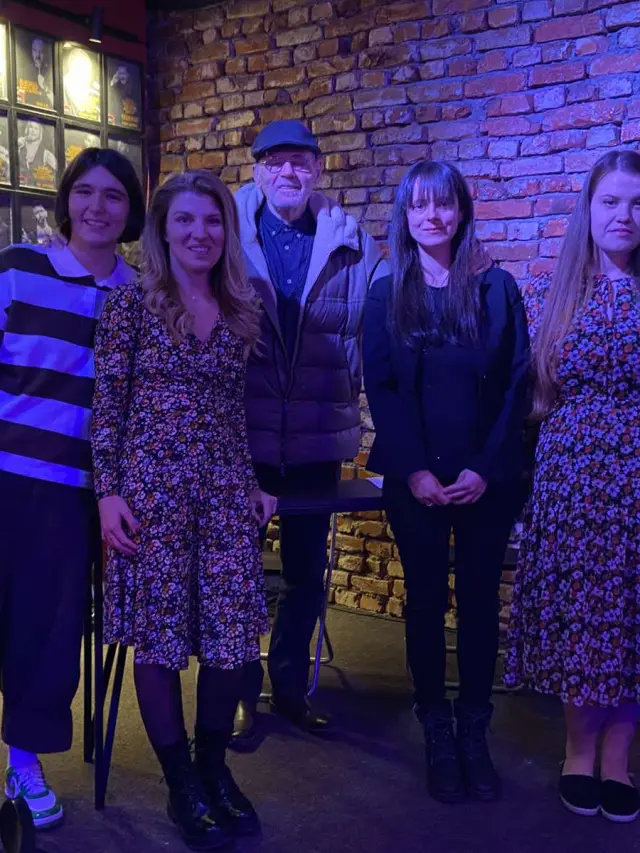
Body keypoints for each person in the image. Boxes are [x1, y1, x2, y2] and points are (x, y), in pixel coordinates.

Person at [91, 170, 276, 849]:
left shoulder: (240, 307)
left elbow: (234, 412)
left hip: (224, 493)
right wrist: (108, 493)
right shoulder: (130, 306)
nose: (201, 232)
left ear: (227, 230)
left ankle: (212, 766)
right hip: (151, 494)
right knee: (159, 638)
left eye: (213, 220)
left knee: (230, 638)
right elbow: (107, 407)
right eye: (186, 220)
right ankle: (181, 783)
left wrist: (253, 481)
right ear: (163, 230)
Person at [363, 161, 530, 803]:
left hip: (487, 478)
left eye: (443, 204)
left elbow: (516, 384)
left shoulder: (497, 288)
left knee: (481, 601)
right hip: (416, 481)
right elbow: (381, 387)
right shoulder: (387, 292)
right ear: (405, 216)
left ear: (462, 211)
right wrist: (415, 470)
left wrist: (483, 469)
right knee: (427, 600)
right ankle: (436, 727)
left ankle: (474, 729)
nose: (432, 216)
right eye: (419, 206)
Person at [0, 147, 145, 829]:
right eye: (84, 192)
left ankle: (22, 763)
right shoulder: (18, 268)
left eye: (113, 195)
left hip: (74, 490)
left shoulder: (141, 296)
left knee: (47, 631)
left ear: (130, 210)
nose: (97, 207)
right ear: (65, 201)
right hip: (5, 474)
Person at [231, 120, 388, 747]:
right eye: (276, 162)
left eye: (300, 162)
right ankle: (238, 694)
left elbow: (378, 331)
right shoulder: (226, 235)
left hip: (318, 439)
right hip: (241, 439)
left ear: (319, 170)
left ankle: (292, 690)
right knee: (236, 572)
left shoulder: (354, 242)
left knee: (304, 572)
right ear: (257, 170)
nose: (288, 173)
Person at [505, 149, 640, 823]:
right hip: (573, 485)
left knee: (632, 620)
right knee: (584, 619)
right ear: (589, 209)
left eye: (637, 204)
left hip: (636, 483)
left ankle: (620, 758)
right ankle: (578, 752)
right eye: (611, 202)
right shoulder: (555, 294)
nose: (625, 215)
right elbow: (530, 395)